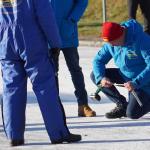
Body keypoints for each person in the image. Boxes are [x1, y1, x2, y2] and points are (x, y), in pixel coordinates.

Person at [0, 0, 81, 146]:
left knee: (11, 90)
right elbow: (46, 17)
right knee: (45, 87)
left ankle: (14, 136)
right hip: (31, 40)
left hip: (5, 42)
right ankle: (58, 133)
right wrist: (55, 43)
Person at [91, 19, 150, 119]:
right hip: (125, 76)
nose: (111, 45)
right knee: (95, 75)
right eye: (108, 42)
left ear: (120, 35)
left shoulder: (142, 40)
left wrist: (137, 82)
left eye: (112, 42)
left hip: (144, 81)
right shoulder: (111, 43)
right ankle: (122, 104)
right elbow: (98, 60)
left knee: (132, 114)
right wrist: (102, 78)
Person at [50, 0, 96, 117]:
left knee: (75, 69)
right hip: (48, 34)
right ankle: (54, 107)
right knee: (52, 72)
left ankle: (83, 105)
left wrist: (71, 20)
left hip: (68, 33)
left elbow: (82, 2)